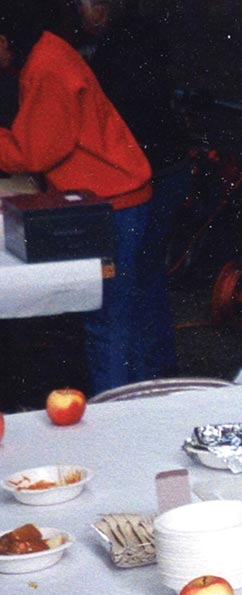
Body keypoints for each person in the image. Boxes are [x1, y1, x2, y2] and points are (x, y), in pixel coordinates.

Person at [0, 2, 172, 393]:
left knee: (107, 320)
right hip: (119, 197)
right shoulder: (47, 52)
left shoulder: (46, 66)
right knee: (132, 313)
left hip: (113, 203)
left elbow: (35, 152)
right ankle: (147, 398)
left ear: (5, 40)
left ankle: (116, 414)